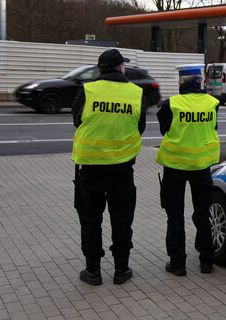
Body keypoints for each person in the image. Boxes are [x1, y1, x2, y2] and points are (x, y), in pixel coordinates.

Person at [72, 49, 147, 286]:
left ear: (99, 69)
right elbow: (140, 126)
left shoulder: (87, 90)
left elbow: (77, 121)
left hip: (91, 168)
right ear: (121, 68)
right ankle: (121, 269)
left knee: (91, 219)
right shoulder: (136, 93)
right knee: (122, 220)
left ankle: (93, 271)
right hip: (122, 169)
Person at [156, 64, 220, 275]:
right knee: (202, 214)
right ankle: (206, 261)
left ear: (181, 82)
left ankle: (177, 263)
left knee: (175, 216)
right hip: (202, 167)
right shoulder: (212, 103)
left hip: (175, 167)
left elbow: (164, 129)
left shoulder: (170, 104)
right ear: (200, 81)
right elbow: (213, 128)